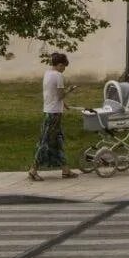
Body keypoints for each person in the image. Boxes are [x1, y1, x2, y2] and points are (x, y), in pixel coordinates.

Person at [28, 52, 78, 181]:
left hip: (49, 111)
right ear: (59, 64)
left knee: (57, 141)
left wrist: (64, 105)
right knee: (44, 142)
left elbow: (52, 94)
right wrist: (70, 90)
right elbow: (60, 95)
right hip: (54, 114)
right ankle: (33, 170)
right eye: (64, 66)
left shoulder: (47, 74)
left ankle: (65, 170)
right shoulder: (58, 76)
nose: (64, 69)